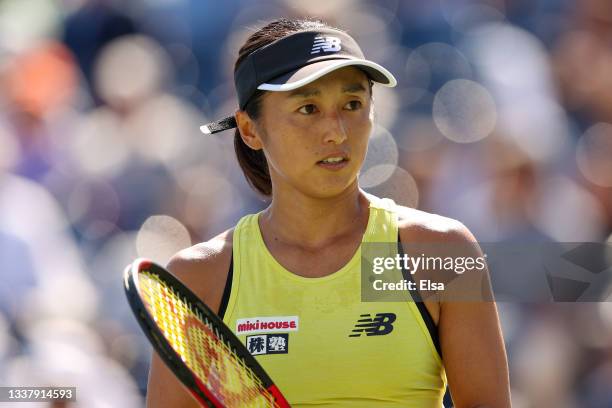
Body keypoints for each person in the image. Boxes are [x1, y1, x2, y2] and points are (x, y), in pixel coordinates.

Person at [146, 18, 511, 407]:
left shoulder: (442, 254)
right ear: (250, 129)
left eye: (352, 104)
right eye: (308, 108)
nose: (336, 132)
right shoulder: (200, 277)